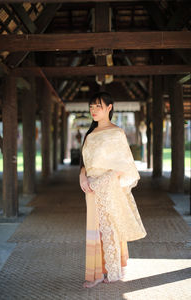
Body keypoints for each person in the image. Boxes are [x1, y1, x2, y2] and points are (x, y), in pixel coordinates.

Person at [79, 92, 147, 288]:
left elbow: (123, 167)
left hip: (107, 187)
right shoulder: (90, 134)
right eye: (91, 107)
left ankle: (113, 270)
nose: (93, 110)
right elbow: (85, 163)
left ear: (109, 108)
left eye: (98, 106)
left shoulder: (116, 133)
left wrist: (99, 182)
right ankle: (97, 272)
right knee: (94, 230)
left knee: (109, 229)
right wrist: (82, 176)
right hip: (90, 188)